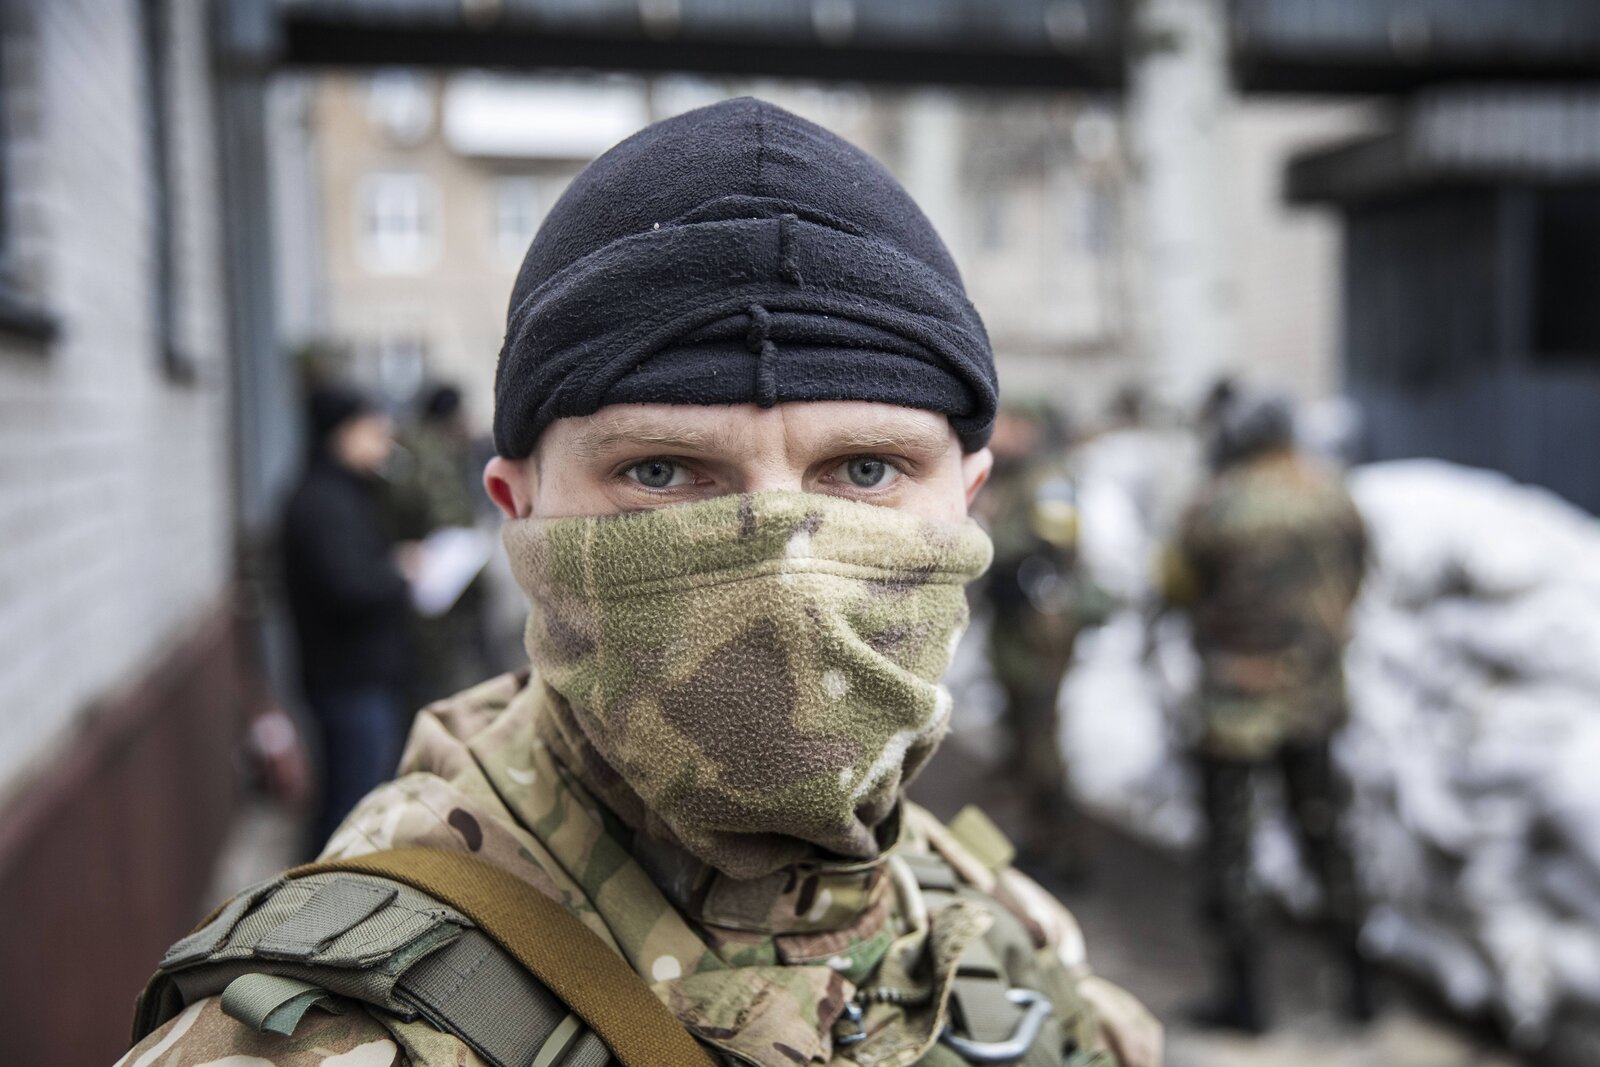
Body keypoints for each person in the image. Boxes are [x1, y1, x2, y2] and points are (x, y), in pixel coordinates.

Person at [124, 99, 1160, 1067]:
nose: (783, 565)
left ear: (968, 498)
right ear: (514, 505)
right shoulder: (326, 1030)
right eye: (660, 472)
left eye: (864, 470)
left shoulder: (986, 922)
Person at [1161, 381, 1371, 1034]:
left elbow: (1175, 584)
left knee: (1233, 852)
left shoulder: (1214, 505)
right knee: (1326, 836)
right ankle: (1359, 986)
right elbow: (1360, 574)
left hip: (1235, 706)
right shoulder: (1334, 495)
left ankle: (1247, 1001)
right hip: (1313, 697)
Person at [978, 404, 1110, 882]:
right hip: (1016, 619)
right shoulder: (1016, 477)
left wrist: (994, 543)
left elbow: (1053, 538)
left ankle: (1065, 848)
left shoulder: (1048, 478)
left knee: (1039, 736)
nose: (998, 436)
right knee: (1023, 733)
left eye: (1008, 426)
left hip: (1041, 623)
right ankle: (1041, 835)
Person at [282, 386, 417, 849]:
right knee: (351, 806)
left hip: (360, 674)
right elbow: (349, 586)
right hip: (348, 679)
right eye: (373, 431)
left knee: (359, 795)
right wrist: (402, 574)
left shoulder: (347, 493)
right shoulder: (323, 503)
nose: (385, 442)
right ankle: (323, 898)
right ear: (342, 434)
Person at [389, 383, 497, 700]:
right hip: (440, 570)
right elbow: (446, 514)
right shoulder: (427, 452)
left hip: (453, 568)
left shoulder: (447, 448)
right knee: (446, 663)